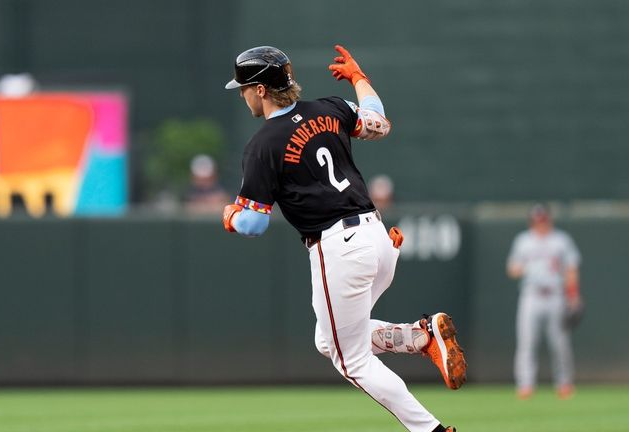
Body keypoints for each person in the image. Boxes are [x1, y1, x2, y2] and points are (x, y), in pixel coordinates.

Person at [221, 45, 466, 432]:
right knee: (328, 339)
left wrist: (231, 216)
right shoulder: (329, 108)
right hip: (378, 238)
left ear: (262, 90)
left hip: (339, 250)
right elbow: (379, 123)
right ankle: (420, 337)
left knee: (352, 362)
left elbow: (254, 224)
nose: (242, 93)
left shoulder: (263, 144)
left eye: (244, 87)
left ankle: (432, 430)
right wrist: (358, 78)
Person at [506, 203, 582, 400]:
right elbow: (512, 269)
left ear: (549, 220)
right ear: (532, 221)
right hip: (531, 295)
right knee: (527, 342)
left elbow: (571, 268)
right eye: (536, 221)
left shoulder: (561, 240)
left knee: (560, 343)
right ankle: (525, 385)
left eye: (543, 220)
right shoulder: (523, 240)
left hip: (556, 295)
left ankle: (564, 383)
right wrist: (527, 268)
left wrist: (573, 296)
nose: (540, 224)